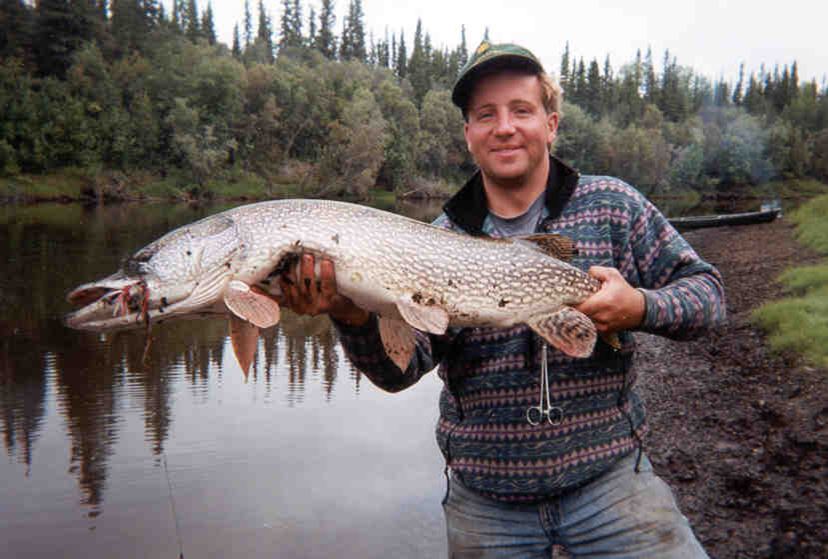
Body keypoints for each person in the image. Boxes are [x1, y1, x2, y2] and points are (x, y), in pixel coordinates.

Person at [278, 41, 725, 558]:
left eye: (521, 110)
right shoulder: (439, 238)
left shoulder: (613, 205)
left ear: (551, 124)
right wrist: (348, 312)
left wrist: (640, 307)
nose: (504, 127)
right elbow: (401, 371)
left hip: (610, 482)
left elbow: (708, 295)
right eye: (485, 115)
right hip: (486, 503)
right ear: (469, 134)